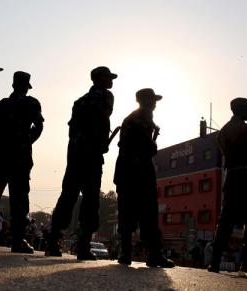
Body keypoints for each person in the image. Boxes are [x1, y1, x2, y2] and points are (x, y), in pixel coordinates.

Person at [46, 66, 116, 260]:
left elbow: (72, 130)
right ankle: (83, 247)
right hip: (91, 155)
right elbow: (103, 117)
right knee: (91, 199)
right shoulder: (106, 96)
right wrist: (99, 142)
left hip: (76, 154)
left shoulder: (79, 101)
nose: (111, 81)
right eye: (108, 77)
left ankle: (53, 242)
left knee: (68, 195)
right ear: (99, 79)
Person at [0, 71, 44, 253]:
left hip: (1, 154)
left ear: (13, 85)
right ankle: (17, 240)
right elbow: (39, 126)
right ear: (26, 87)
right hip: (19, 157)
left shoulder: (2, 105)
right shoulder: (31, 103)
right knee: (19, 197)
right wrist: (26, 141)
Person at [113, 88, 174, 268]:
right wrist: (154, 140)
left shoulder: (130, 118)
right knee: (148, 213)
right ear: (146, 101)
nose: (155, 104)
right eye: (152, 100)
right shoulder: (143, 118)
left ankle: (125, 254)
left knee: (126, 212)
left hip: (125, 172)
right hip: (139, 172)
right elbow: (149, 149)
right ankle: (154, 254)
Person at [208, 97, 247, 276]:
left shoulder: (222, 132)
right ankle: (246, 265)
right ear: (239, 109)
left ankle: (214, 262)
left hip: (231, 179)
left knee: (226, 221)